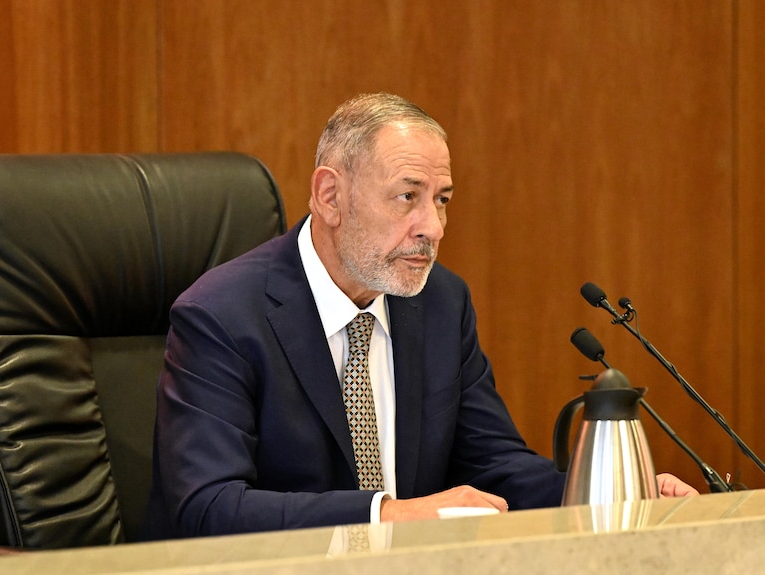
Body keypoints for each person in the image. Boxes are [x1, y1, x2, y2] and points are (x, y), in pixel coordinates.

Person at [142, 93, 696, 539]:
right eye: (408, 196)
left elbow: (494, 466)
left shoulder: (440, 303)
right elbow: (208, 508)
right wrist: (384, 513)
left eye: (443, 199)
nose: (432, 226)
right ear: (330, 197)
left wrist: (614, 495)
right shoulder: (219, 316)